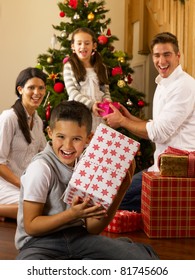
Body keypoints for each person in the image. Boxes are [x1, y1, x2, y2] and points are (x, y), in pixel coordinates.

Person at [15, 100, 158, 260]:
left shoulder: (88, 166)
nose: (67, 146)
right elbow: (31, 226)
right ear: (50, 132)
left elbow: (92, 228)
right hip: (40, 244)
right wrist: (71, 214)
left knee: (143, 259)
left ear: (89, 138)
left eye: (76, 139)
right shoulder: (40, 168)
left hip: (79, 239)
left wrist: (122, 188)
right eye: (61, 137)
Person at [103, 32, 195, 212]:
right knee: (116, 194)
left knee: (116, 199)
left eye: (167, 54)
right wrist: (129, 118)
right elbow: (157, 125)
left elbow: (158, 132)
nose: (161, 60)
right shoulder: (163, 83)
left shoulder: (184, 86)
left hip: (179, 168)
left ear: (178, 56)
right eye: (157, 55)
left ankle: (160, 208)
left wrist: (122, 121)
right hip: (162, 165)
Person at [0, 67, 47, 221]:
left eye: (41, 88)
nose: (37, 92)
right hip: (6, 184)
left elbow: (45, 154)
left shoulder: (38, 121)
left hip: (24, 185)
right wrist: (22, 184)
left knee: (48, 205)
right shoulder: (9, 118)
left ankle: (7, 212)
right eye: (31, 88)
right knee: (35, 209)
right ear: (20, 90)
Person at [63, 27, 112, 132]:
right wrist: (91, 105)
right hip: (79, 114)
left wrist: (108, 105)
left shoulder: (101, 67)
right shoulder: (69, 66)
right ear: (73, 46)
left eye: (87, 43)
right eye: (79, 43)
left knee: (96, 142)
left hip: (98, 114)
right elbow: (72, 92)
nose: (83, 47)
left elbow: (105, 91)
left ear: (94, 46)